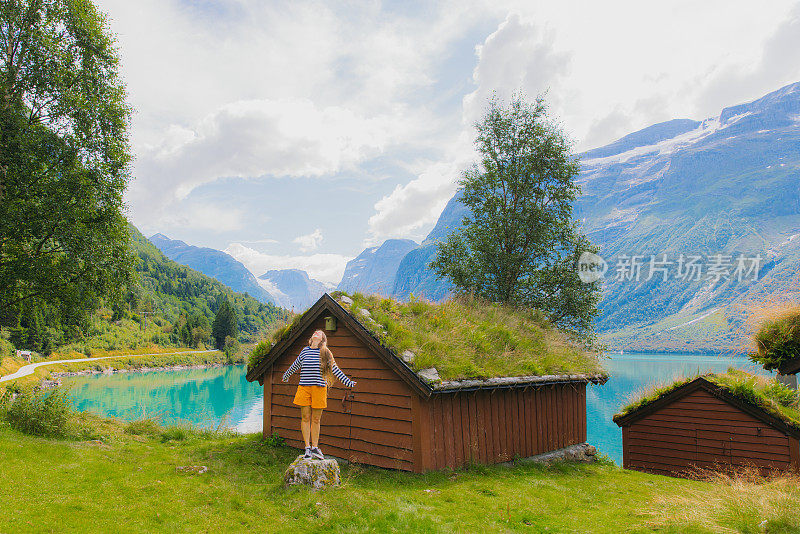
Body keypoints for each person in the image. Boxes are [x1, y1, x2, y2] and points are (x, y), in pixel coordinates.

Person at [282, 329, 356, 460]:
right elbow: (295, 365)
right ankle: (307, 449)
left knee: (316, 419)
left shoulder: (325, 352)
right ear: (312, 338)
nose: (316, 333)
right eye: (314, 332)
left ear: (322, 339)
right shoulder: (305, 351)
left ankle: (315, 447)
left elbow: (335, 369)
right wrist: (286, 375)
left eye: (319, 333)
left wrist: (347, 382)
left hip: (319, 389)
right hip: (304, 388)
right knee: (305, 417)